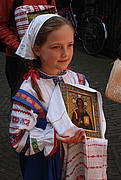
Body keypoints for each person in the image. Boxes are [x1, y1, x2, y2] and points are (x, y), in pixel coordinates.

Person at [9, 14, 107, 180]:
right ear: (37, 49)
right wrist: (51, 136)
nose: (65, 53)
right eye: (56, 47)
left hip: (77, 160)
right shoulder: (29, 91)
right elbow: (18, 140)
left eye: (70, 45)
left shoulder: (79, 80)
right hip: (45, 166)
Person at [0, 0, 56, 96]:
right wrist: (20, 48)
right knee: (20, 97)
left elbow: (53, 22)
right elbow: (1, 26)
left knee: (46, 96)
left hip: (44, 58)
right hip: (18, 59)